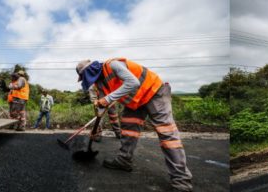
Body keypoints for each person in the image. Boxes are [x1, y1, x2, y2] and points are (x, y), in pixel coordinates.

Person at [76, 58, 192, 191]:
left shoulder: (112, 65)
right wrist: (96, 128)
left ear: (90, 72)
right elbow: (103, 107)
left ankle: (181, 180)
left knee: (168, 135)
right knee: (128, 131)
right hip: (134, 103)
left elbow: (133, 83)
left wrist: (106, 99)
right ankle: (124, 160)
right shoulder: (99, 84)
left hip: (154, 92)